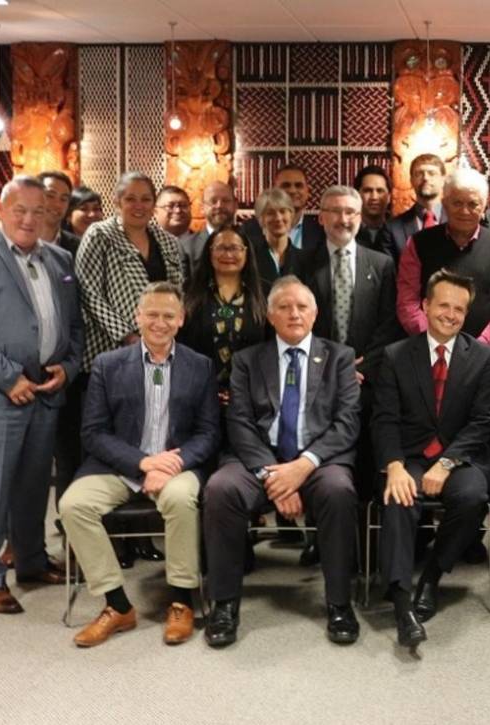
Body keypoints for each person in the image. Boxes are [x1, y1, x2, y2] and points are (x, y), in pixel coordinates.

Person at [0, 175, 84, 613]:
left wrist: (69, 366)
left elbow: (74, 327)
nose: (29, 218)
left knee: (33, 485)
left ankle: (31, 559)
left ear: (48, 214)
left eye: (37, 211)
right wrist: (9, 378)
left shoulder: (60, 258)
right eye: (19, 210)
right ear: (2, 211)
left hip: (47, 390)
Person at [202, 277, 362, 647]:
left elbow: (347, 422)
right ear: (270, 315)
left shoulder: (339, 356)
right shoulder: (247, 360)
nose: (294, 314)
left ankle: (339, 602)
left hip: (318, 460)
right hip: (259, 459)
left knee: (339, 490)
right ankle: (224, 603)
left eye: (302, 307)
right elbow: (238, 422)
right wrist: (271, 475)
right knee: (220, 488)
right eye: (284, 307)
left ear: (315, 313)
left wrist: (303, 466)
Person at [61, 282, 220, 647]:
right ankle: (117, 605)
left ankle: (181, 600)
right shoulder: (107, 365)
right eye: (152, 314)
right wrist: (144, 463)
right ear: (138, 317)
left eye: (168, 316)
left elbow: (209, 434)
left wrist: (170, 464)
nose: (159, 323)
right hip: (119, 465)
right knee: (73, 505)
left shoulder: (200, 366)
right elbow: (94, 433)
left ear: (181, 320)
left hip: (177, 465)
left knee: (181, 501)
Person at [374, 270, 490, 647]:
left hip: (459, 455)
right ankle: (400, 600)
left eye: (459, 309)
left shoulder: (482, 356)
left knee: (472, 496)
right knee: (399, 497)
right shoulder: (396, 355)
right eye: (443, 305)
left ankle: (431, 576)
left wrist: (447, 464)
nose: (450, 314)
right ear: (425, 306)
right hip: (409, 456)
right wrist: (394, 465)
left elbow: (483, 421)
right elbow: (384, 418)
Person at [75, 171, 185, 564]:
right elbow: (88, 291)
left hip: (157, 352)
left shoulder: (167, 241)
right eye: (130, 199)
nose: (138, 205)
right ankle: (115, 539)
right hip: (112, 353)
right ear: (118, 201)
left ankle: (141, 537)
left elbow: (178, 291)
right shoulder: (100, 235)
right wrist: (126, 334)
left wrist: (165, 333)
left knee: (148, 436)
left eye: (145, 199)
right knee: (116, 442)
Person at [298, 185, 402, 499]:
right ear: (322, 217)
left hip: (368, 381)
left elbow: (390, 324)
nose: (344, 219)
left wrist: (364, 367)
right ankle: (321, 544)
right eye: (336, 212)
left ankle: (367, 540)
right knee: (323, 468)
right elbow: (296, 321)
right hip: (318, 378)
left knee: (368, 465)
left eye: (351, 212)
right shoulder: (301, 263)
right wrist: (335, 366)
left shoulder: (381, 264)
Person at [396, 168, 490, 347]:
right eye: (457, 203)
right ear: (444, 203)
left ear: (484, 206)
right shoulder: (418, 243)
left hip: (485, 356)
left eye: (473, 204)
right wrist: (434, 342)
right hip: (427, 352)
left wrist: (479, 348)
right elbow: (407, 302)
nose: (465, 211)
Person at [178, 226, 270, 401]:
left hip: (251, 396)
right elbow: (182, 347)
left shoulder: (265, 293)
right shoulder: (189, 293)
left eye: (235, 248)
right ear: (209, 252)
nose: (228, 254)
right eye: (220, 248)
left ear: (246, 252)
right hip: (199, 394)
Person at [37, 171, 84, 507]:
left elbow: (80, 315)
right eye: (49, 194)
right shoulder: (3, 245)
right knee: (27, 463)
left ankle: (71, 541)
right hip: (18, 375)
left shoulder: (76, 248)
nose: (55, 203)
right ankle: (19, 541)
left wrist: (71, 366)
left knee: (70, 456)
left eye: (63, 198)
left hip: (66, 372)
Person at [386, 153, 448, 257]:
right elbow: (389, 271)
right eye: (419, 173)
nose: (425, 178)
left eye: (432, 173)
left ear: (443, 180)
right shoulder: (392, 229)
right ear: (411, 181)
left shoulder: (458, 221)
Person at [177, 181, 237, 276]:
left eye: (225, 201)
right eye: (213, 201)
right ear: (202, 208)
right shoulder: (186, 247)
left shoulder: (250, 243)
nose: (219, 205)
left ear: (235, 206)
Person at [250, 187, 302, 291]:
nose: (278, 218)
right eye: (270, 213)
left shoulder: (305, 260)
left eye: (283, 211)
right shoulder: (250, 258)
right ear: (261, 219)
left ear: (291, 215)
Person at [353, 164, 397, 257]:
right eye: (367, 190)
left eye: (380, 191)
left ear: (389, 197)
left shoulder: (398, 232)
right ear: (357, 195)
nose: (374, 197)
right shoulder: (347, 230)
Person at [37, 171, 81, 256]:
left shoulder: (78, 247)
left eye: (63, 199)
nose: (57, 204)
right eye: (50, 196)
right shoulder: (16, 242)